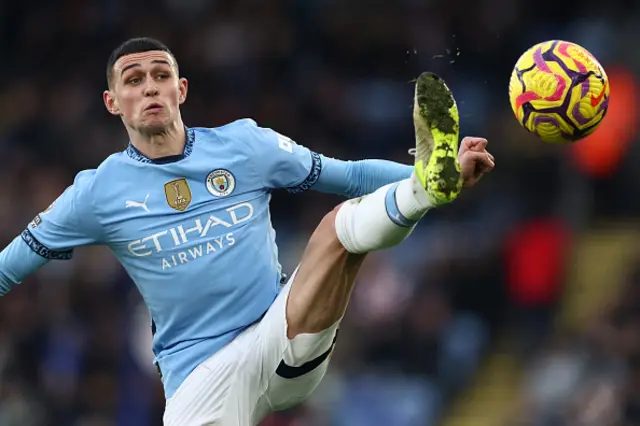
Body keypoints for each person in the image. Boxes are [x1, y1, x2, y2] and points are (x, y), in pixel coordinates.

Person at [0, 37, 495, 425]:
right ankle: (426, 189)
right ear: (113, 102)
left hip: (278, 332)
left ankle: (429, 188)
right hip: (199, 378)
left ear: (181, 90)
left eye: (160, 75)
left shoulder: (245, 145)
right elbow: (10, 266)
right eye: (134, 79)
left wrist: (440, 171)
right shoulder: (97, 192)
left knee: (338, 229)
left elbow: (349, 175)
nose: (149, 87)